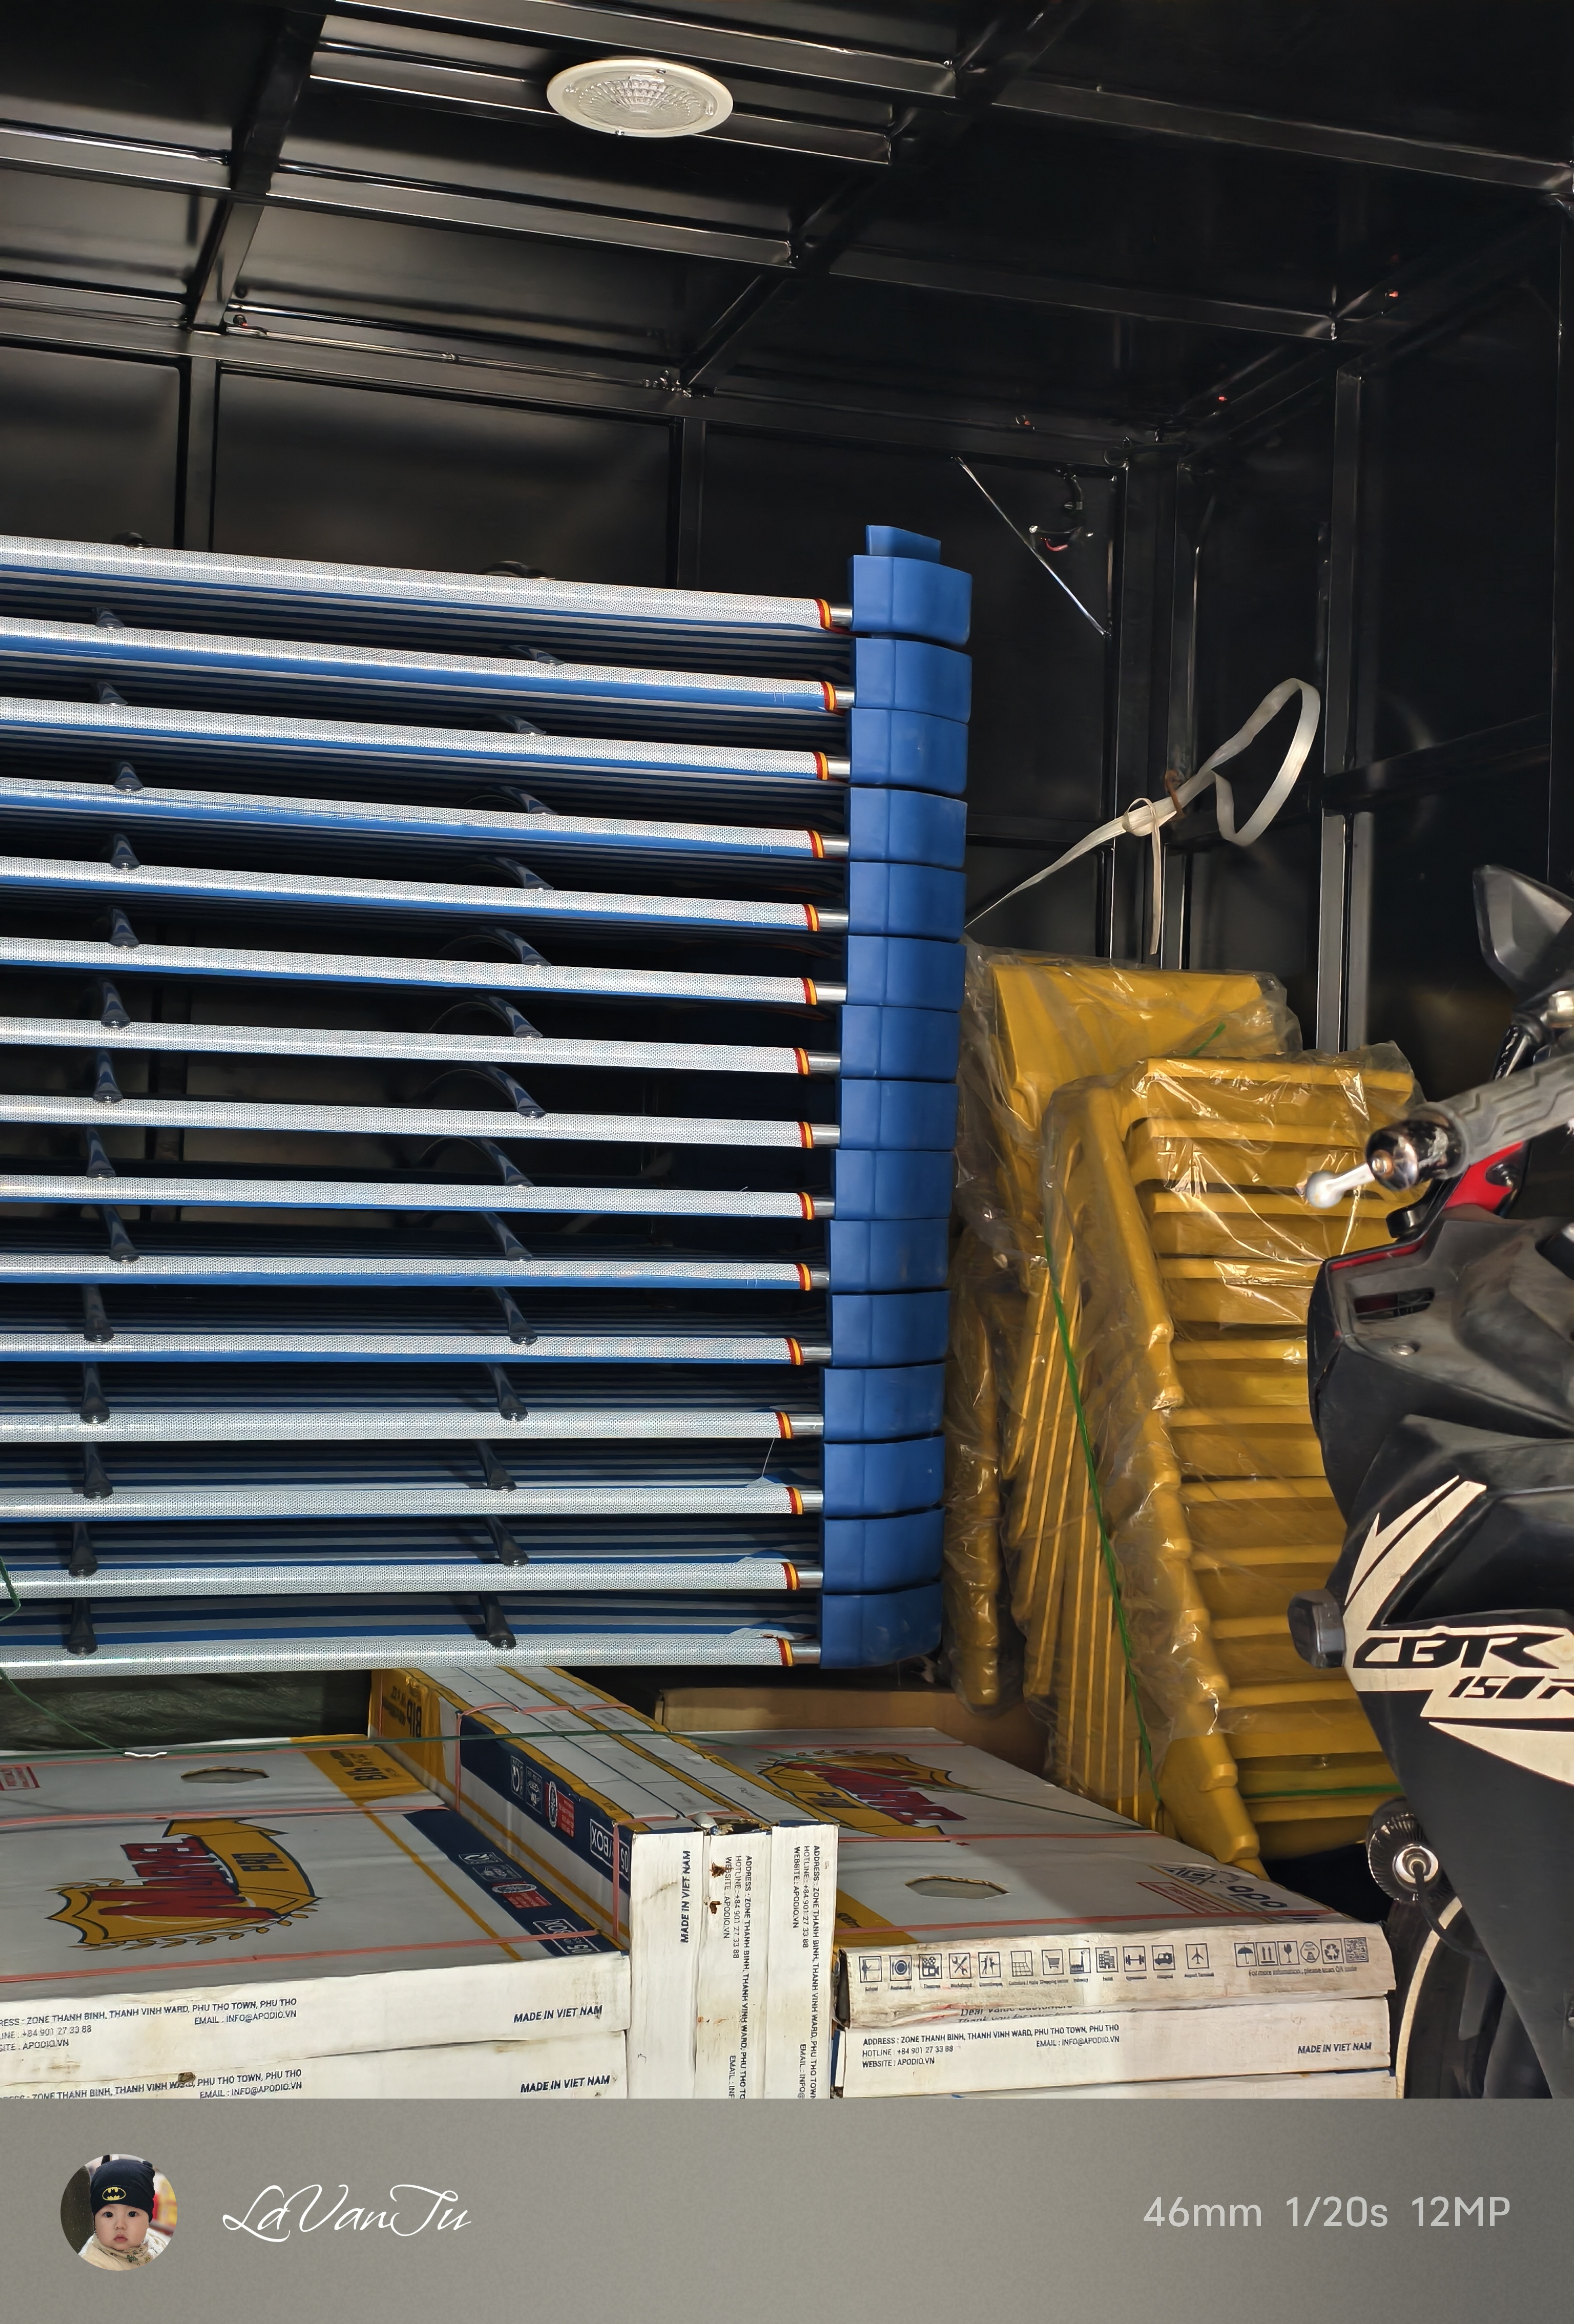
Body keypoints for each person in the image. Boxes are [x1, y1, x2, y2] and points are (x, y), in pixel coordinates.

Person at [79, 2158, 170, 2271]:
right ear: (95, 2221)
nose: (120, 2225)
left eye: (132, 2214)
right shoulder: (93, 2261)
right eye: (109, 2215)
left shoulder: (157, 2241)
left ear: (148, 2220)